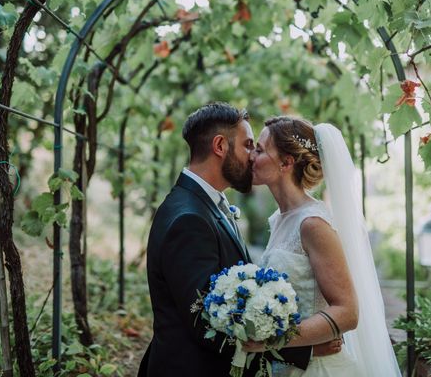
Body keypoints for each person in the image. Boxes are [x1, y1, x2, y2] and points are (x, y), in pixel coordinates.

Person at [138, 103, 338, 377]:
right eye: (248, 146)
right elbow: (205, 320)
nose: (252, 157)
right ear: (220, 146)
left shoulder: (206, 205)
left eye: (257, 149)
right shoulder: (189, 218)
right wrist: (303, 349)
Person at [245, 116, 401, 376]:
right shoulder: (280, 219)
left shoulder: (312, 223)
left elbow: (348, 312)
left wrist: (271, 341)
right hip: (289, 365)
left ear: (286, 162)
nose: (251, 156)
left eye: (260, 150)